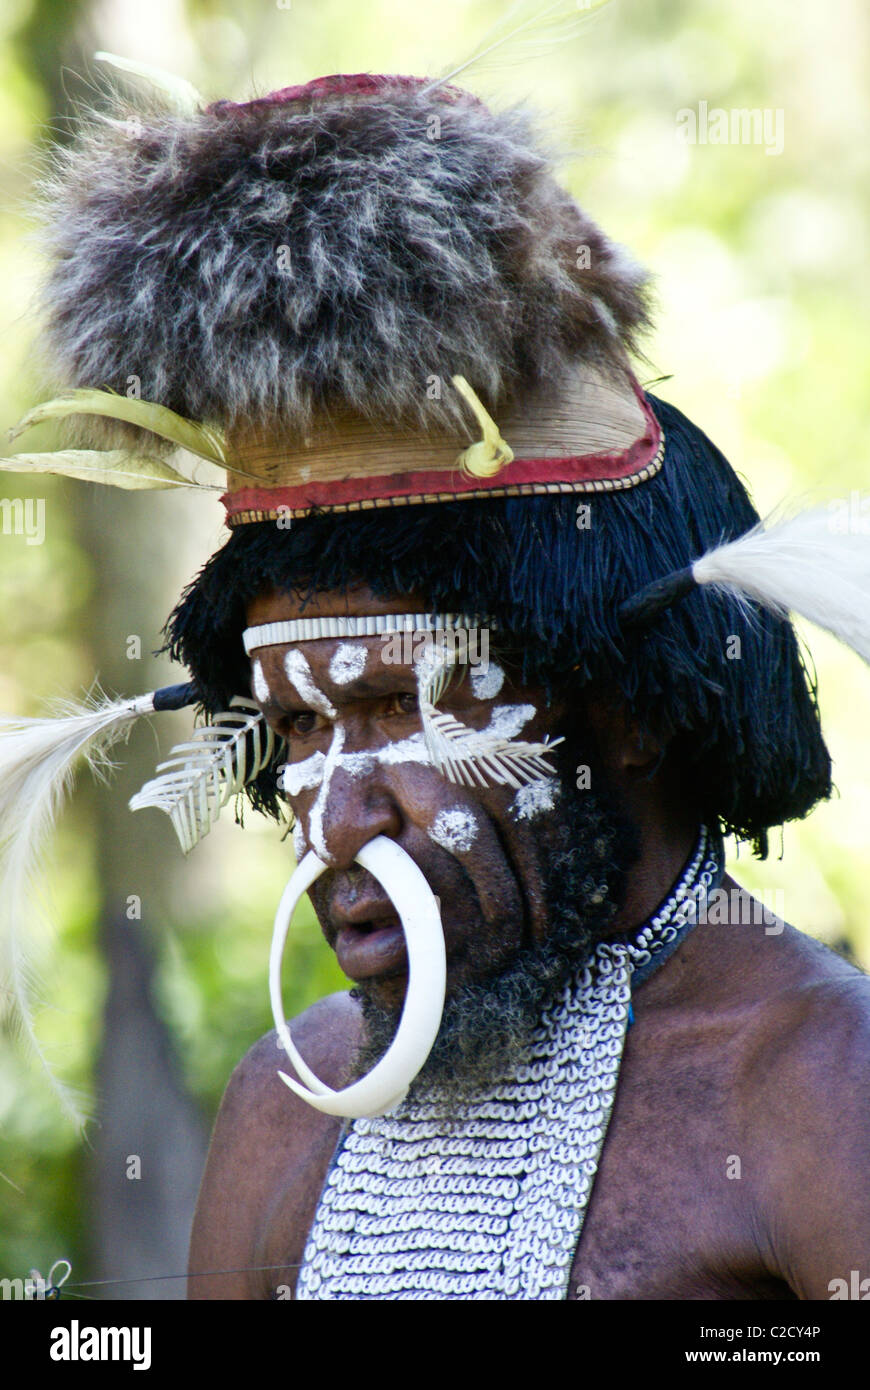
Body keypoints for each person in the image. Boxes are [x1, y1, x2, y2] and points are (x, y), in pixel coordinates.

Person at [3, 63, 869, 1301]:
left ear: (618, 709)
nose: (340, 816)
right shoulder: (285, 1106)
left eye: (407, 708)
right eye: (300, 723)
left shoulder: (822, 1088)